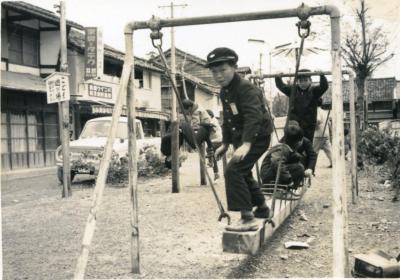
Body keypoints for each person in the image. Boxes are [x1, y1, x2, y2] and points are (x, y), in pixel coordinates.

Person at [207, 47, 273, 232]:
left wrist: (246, 144)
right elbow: (228, 119)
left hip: (257, 136)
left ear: (234, 67)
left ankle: (247, 218)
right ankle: (262, 207)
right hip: (241, 138)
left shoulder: (245, 88)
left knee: (233, 171)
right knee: (243, 171)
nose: (218, 76)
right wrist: (226, 143)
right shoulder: (225, 91)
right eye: (214, 72)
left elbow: (254, 117)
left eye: (223, 70)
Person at [275, 69, 328, 142]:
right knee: (290, 142)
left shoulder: (314, 91)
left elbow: (324, 87)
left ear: (310, 81)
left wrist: (322, 76)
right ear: (297, 82)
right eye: (301, 81)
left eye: (305, 80)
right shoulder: (292, 90)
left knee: (306, 144)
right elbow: (281, 86)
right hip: (294, 124)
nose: (303, 83)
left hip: (308, 125)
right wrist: (278, 78)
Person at [260, 121, 317, 188]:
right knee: (299, 168)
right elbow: (277, 163)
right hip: (267, 175)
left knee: (299, 159)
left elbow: (311, 155)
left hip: (271, 172)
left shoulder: (288, 146)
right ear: (298, 142)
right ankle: (284, 184)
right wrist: (288, 179)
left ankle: (288, 183)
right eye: (301, 140)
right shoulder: (282, 148)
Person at [160, 99, 214, 168]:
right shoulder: (196, 109)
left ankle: (182, 127)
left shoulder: (165, 151)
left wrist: (186, 130)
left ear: (169, 159)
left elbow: (195, 126)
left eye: (177, 160)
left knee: (183, 124)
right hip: (204, 129)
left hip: (201, 129)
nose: (178, 158)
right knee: (183, 125)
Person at [313, 99, 332, 168]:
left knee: (313, 151)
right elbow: (329, 122)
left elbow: (318, 120)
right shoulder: (324, 112)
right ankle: (333, 162)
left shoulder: (316, 111)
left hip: (318, 134)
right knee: (329, 149)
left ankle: (311, 166)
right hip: (325, 133)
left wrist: (314, 127)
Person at [206, 109, 223, 181]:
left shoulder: (213, 121)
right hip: (216, 141)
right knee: (213, 156)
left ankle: (210, 161)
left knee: (208, 149)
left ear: (210, 115)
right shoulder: (213, 120)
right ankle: (216, 173)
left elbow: (213, 129)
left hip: (217, 141)